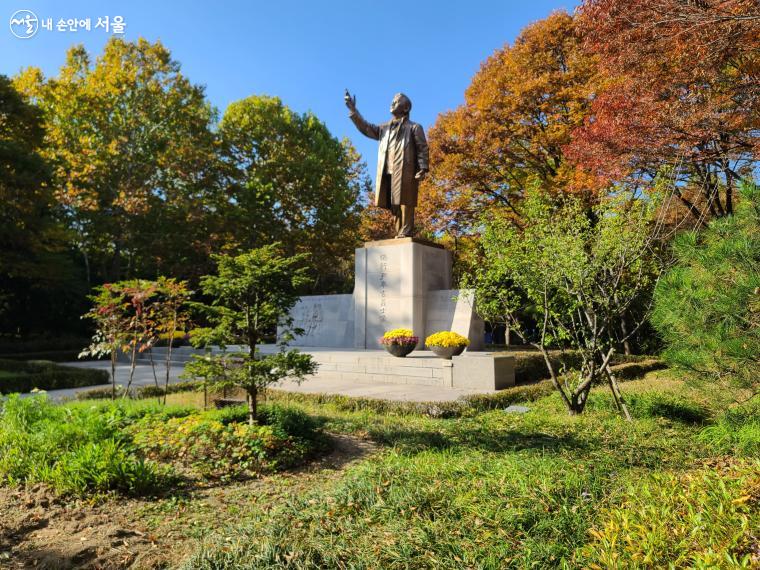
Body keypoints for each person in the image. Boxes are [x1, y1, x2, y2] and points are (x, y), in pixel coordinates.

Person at [344, 90, 429, 238]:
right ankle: (400, 232)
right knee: (394, 204)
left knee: (406, 201)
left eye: (396, 101)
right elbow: (366, 128)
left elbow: (422, 147)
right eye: (392, 100)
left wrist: (423, 167)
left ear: (406, 108)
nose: (392, 103)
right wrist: (353, 111)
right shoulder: (384, 128)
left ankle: (406, 231)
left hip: (406, 169)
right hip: (387, 171)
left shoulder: (414, 127)